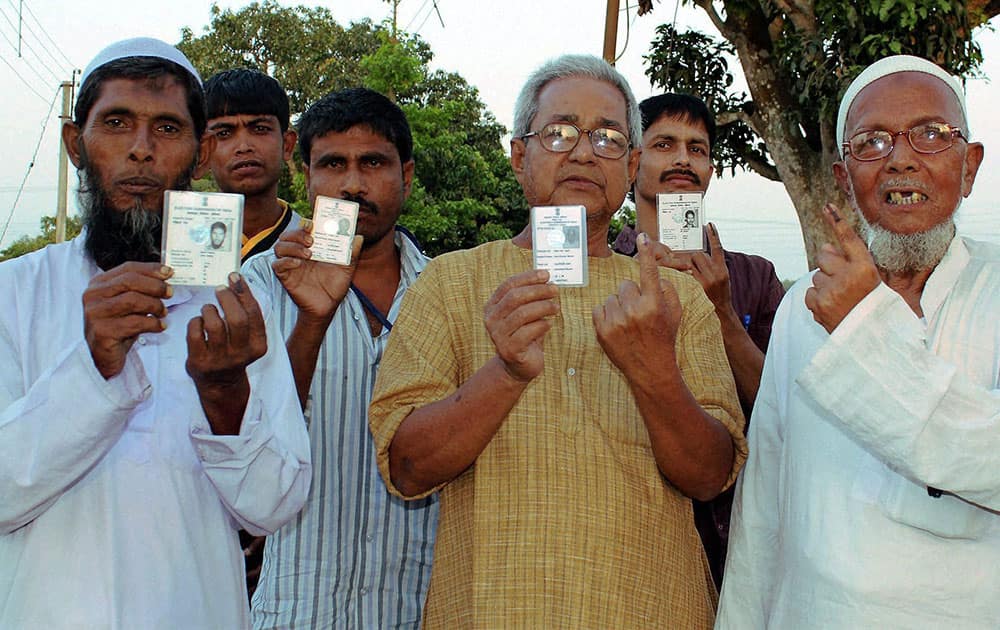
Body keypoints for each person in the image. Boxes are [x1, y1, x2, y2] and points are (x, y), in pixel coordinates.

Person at [369, 55, 746, 628]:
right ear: (520, 156)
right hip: (490, 610)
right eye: (560, 132)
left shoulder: (676, 297)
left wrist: (654, 372)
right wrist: (506, 372)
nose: (583, 152)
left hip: (652, 609)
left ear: (632, 165)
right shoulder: (449, 282)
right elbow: (408, 468)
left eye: (608, 138)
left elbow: (710, 474)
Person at [0, 38, 311, 629]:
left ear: (197, 157)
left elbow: (274, 504)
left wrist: (225, 393)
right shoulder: (13, 294)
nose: (141, 151)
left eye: (167, 128)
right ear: (76, 144)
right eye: (116, 123)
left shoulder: (236, 304)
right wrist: (93, 365)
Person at [717, 55, 999, 627]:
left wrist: (863, 330)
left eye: (930, 135)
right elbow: (764, 507)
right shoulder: (804, 306)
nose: (901, 159)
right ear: (845, 180)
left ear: (969, 167)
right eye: (871, 142)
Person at [244, 87, 438, 629]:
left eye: (373, 162)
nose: (353, 183)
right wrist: (311, 320)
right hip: (297, 611)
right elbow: (249, 444)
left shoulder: (449, 293)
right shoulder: (259, 286)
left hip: (419, 612)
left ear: (408, 174)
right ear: (305, 176)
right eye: (333, 164)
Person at [624, 93, 786, 586]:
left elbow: (781, 405)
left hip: (742, 542)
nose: (682, 159)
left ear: (711, 169)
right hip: (636, 533)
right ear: (633, 161)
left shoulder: (754, 278)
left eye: (697, 148)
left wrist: (719, 311)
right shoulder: (599, 278)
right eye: (664, 144)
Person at [204, 69, 300, 262]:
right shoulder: (179, 247)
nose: (244, 147)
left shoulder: (315, 247)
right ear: (202, 152)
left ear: (287, 144)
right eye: (224, 133)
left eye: (260, 129)